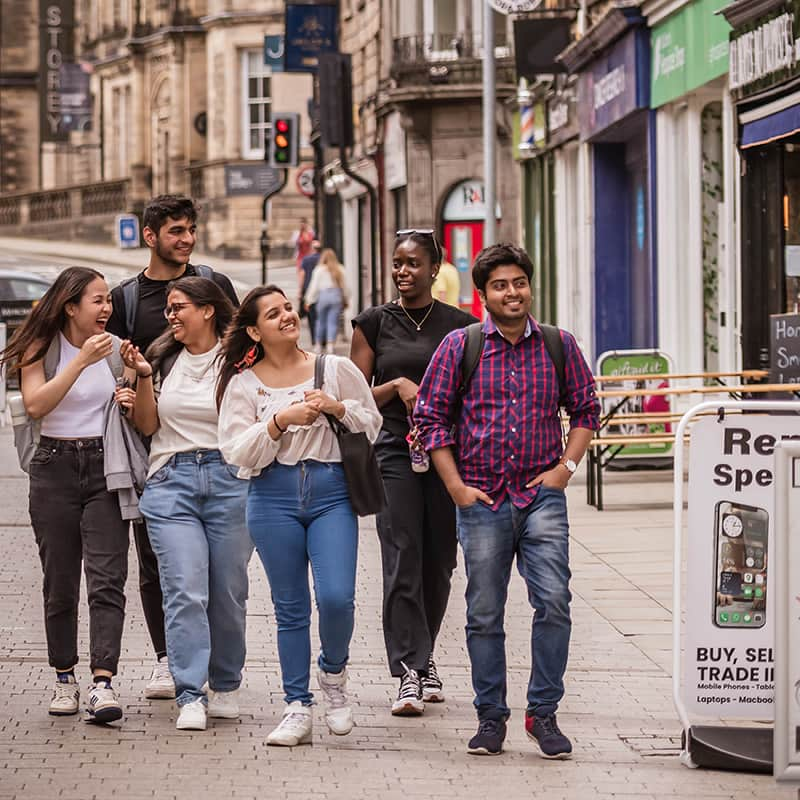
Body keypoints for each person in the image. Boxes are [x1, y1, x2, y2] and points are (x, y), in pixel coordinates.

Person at [415, 243, 600, 758]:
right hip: (482, 500)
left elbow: (586, 408)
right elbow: (429, 419)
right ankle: (490, 716)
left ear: (529, 286)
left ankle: (543, 714)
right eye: (500, 285)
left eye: (519, 282)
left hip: (541, 497)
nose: (512, 292)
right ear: (483, 296)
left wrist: (565, 469)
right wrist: (454, 487)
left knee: (555, 603)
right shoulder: (461, 345)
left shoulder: (559, 345)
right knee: (484, 612)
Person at [217, 285, 381, 746]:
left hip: (332, 492)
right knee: (289, 609)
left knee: (336, 598)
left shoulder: (335, 369)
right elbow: (235, 452)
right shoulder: (244, 385)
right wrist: (279, 421)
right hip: (272, 496)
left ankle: (333, 672)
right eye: (274, 313)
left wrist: (337, 407)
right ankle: (297, 706)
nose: (288, 315)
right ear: (254, 331)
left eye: (288, 307)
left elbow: (372, 422)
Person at [106, 194, 239, 700]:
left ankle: (208, 660)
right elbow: (115, 363)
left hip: (213, 443)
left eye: (189, 230)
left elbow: (241, 347)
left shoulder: (213, 284)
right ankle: (167, 659)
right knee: (154, 562)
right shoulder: (127, 298)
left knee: (213, 570)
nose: (185, 240)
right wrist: (125, 388)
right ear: (150, 236)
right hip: (149, 443)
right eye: (175, 231)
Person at [350, 229, 476, 716]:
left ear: (435, 267)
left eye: (412, 264)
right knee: (403, 555)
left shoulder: (463, 329)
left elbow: (473, 396)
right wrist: (399, 383)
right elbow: (355, 396)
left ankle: (423, 658)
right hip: (394, 454)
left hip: (448, 455)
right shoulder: (373, 324)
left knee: (440, 562)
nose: (403, 271)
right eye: (397, 263)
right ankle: (408, 669)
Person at [0, 267, 132, 722]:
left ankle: (102, 682)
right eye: (97, 300)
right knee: (60, 584)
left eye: (107, 300)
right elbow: (37, 404)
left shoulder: (114, 349)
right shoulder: (41, 346)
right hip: (53, 468)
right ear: (70, 305)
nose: (107, 308)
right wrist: (80, 361)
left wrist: (135, 384)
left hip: (104, 466)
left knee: (107, 578)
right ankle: (64, 678)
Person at [119, 277, 251, 731]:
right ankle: (190, 692)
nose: (171, 316)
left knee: (228, 591)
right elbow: (148, 424)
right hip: (170, 480)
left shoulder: (241, 362)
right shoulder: (160, 357)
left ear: (208, 310)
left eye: (179, 308)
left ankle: (226, 683)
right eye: (169, 309)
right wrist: (142, 378)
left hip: (230, 478)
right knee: (184, 589)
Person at [305, 248, 350, 354]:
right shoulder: (340, 269)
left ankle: (318, 345)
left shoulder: (319, 270)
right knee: (333, 321)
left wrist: (309, 300)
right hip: (336, 296)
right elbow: (346, 287)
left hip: (323, 296)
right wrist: (346, 299)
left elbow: (314, 286)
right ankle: (330, 345)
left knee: (320, 321)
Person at [299, 240, 322, 345]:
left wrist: (300, 290)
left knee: (311, 317)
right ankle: (322, 339)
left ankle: (314, 339)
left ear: (312, 249)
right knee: (320, 316)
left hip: (309, 290)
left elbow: (302, 275)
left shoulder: (306, 259)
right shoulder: (323, 259)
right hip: (321, 291)